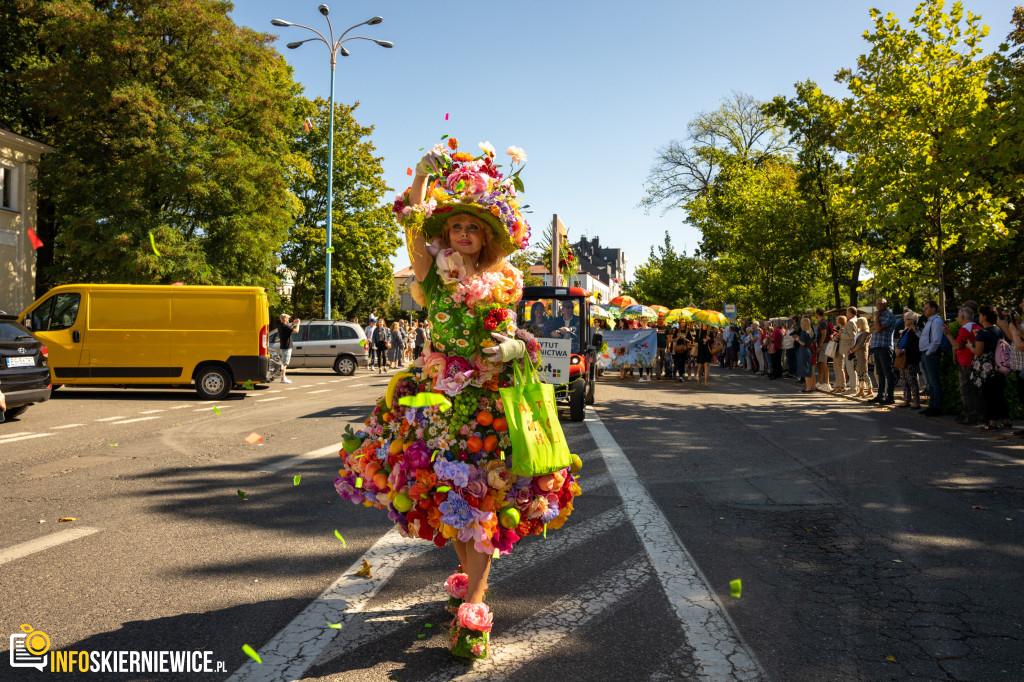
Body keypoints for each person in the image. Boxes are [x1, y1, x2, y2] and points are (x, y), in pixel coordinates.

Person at [336, 140, 577, 660]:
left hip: (491, 404)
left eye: (473, 228)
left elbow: (523, 343)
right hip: (441, 407)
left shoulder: (505, 282)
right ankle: (471, 586)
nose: (464, 235)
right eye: (456, 228)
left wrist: (517, 345)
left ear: (486, 237)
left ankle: (474, 607)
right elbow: (411, 225)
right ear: (445, 235)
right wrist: (422, 176)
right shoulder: (433, 278)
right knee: (457, 504)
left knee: (482, 503)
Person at [971, 306, 1011, 431]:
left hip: (986, 368)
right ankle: (1006, 420)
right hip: (999, 365)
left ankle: (992, 422)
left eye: (981, 314)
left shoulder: (983, 333)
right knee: (999, 395)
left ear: (985, 316)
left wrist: (968, 345)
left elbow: (978, 351)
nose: (979, 317)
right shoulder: (998, 330)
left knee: (989, 396)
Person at [944, 306, 980, 425]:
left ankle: (970, 416)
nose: (957, 317)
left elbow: (957, 345)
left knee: (966, 390)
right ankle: (975, 414)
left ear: (963, 316)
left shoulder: (965, 329)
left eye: (959, 315)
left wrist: (948, 335)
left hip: (966, 362)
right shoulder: (977, 327)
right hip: (976, 361)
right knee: (975, 390)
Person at [996, 301, 1024, 436]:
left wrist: (1014, 330)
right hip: (1019, 366)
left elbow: (1020, 345)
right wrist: (1005, 326)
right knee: (1022, 397)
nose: (1022, 305)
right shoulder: (1022, 321)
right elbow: (1013, 338)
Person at [917, 300, 945, 416]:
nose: (924, 310)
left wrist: (929, 353)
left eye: (926, 308)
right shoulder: (929, 321)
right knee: (930, 382)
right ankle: (932, 405)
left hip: (930, 354)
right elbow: (927, 338)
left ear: (933, 309)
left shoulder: (936, 321)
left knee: (934, 381)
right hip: (925, 354)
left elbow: (936, 339)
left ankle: (937, 407)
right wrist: (917, 333)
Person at [869, 298, 898, 405]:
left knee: (888, 372)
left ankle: (890, 397)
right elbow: (871, 329)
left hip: (885, 347)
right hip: (876, 346)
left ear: (886, 305)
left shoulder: (888, 316)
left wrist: (876, 318)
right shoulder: (879, 316)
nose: (879, 306)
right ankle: (880, 395)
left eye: (882, 304)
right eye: (878, 304)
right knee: (879, 373)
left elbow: (878, 329)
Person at [896, 311, 922, 409]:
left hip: (910, 359)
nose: (904, 320)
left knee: (912, 380)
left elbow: (914, 346)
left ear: (912, 320)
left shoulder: (915, 331)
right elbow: (900, 342)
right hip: (902, 358)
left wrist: (903, 350)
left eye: (906, 319)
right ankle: (906, 400)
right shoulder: (906, 331)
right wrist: (897, 349)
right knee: (903, 380)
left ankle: (916, 401)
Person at [848, 317, 873, 398]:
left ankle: (870, 390)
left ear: (862, 323)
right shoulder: (860, 332)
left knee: (864, 372)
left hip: (861, 354)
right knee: (859, 373)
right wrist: (852, 349)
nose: (856, 324)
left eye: (858, 322)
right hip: (856, 354)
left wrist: (852, 350)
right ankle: (861, 390)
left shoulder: (866, 333)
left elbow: (861, 344)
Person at [277, 313, 300, 384]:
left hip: (284, 346)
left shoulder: (281, 326)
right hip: (287, 346)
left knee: (284, 362)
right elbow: (296, 331)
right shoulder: (285, 326)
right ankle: (283, 378)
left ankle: (284, 377)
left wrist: (293, 324)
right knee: (285, 363)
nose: (288, 319)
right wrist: (298, 324)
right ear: (284, 319)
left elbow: (289, 329)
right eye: (287, 318)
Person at [794, 316, 815, 391]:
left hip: (803, 350)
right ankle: (811, 386)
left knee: (805, 370)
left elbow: (802, 343)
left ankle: (807, 388)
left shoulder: (803, 332)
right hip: (808, 350)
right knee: (809, 369)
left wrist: (797, 340)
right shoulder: (811, 331)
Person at [814, 308, 832, 391]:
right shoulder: (821, 322)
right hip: (822, 344)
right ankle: (820, 382)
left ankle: (827, 383)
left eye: (815, 313)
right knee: (820, 363)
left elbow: (824, 335)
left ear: (817, 313)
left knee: (823, 363)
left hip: (823, 345)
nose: (814, 315)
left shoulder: (822, 323)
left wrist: (819, 346)